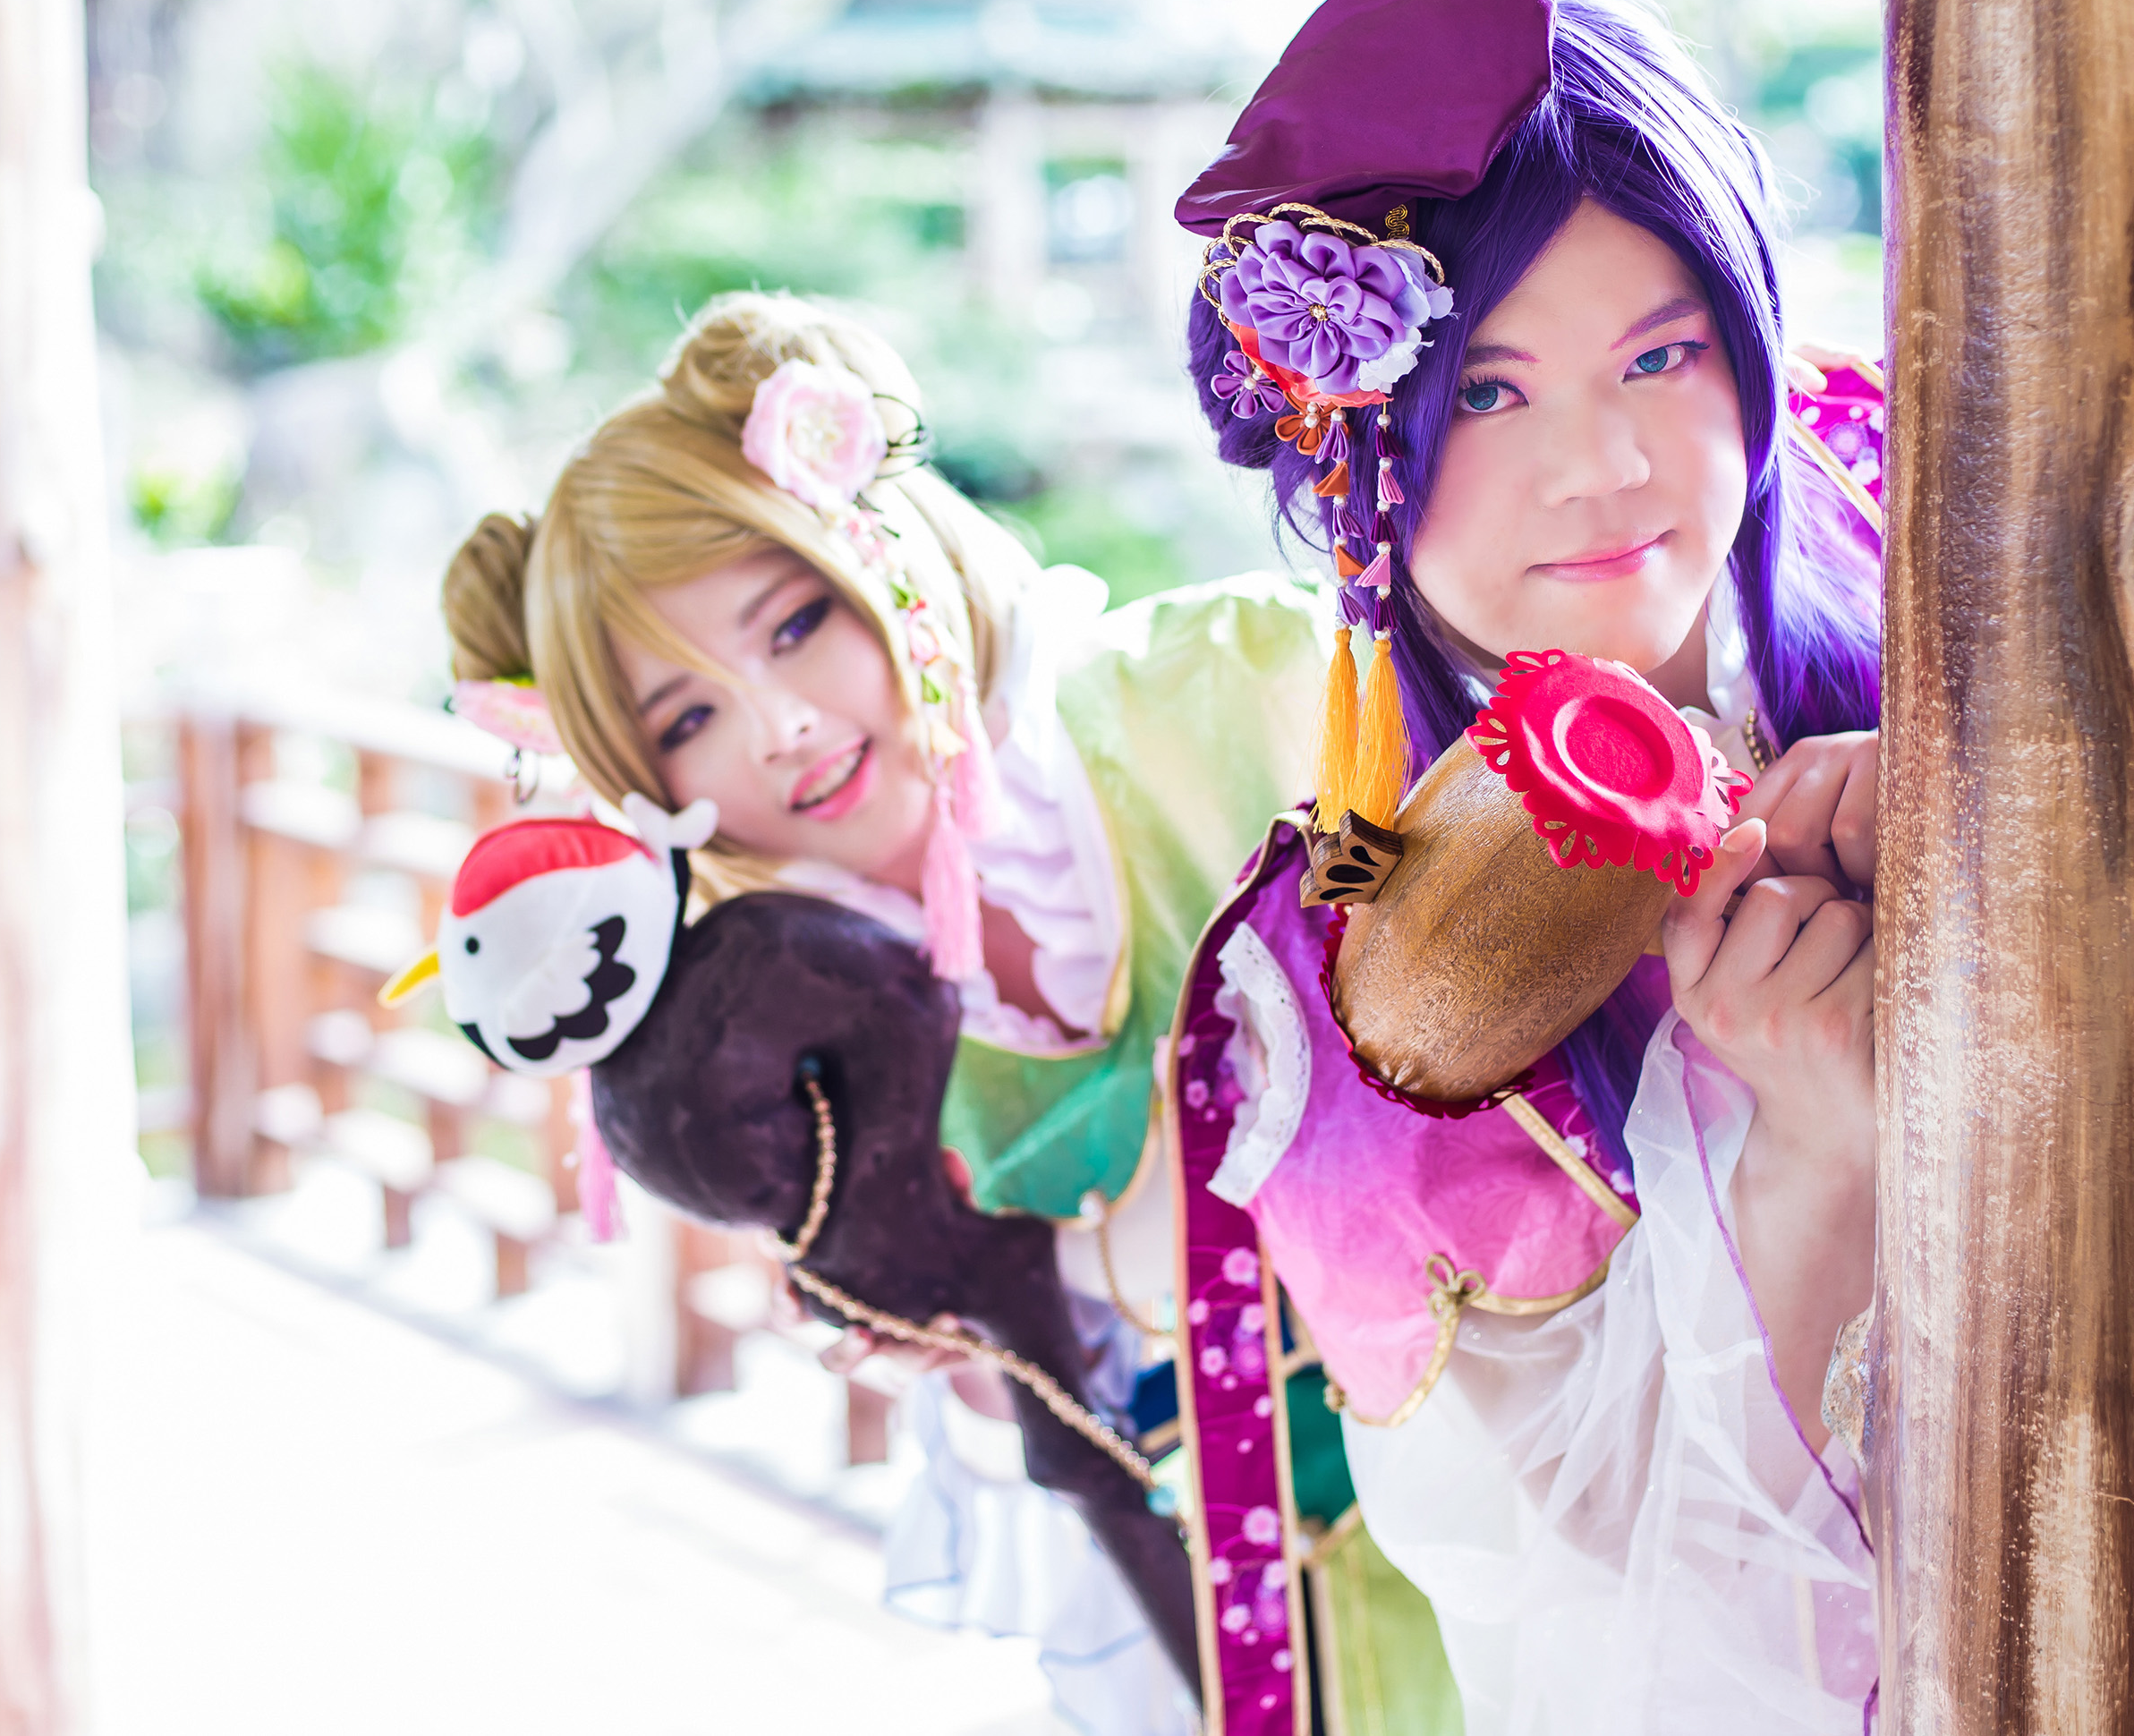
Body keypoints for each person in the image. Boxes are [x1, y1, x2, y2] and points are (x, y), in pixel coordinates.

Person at [436, 292, 1463, 1733]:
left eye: (797, 622)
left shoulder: (1249, 680)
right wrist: (969, 1355)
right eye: (688, 720)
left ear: (888, 546)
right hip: (1261, 1620)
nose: (781, 726)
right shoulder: (789, 1044)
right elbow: (1058, 1432)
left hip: (1542, 1472)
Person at [1165, 0, 1887, 1732]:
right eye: (1488, 394)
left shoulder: (1932, 568)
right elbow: (1636, 1629)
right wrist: (1816, 1153)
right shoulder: (1359, 998)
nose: (1602, 465)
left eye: (1662, 355)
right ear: (1353, 460)